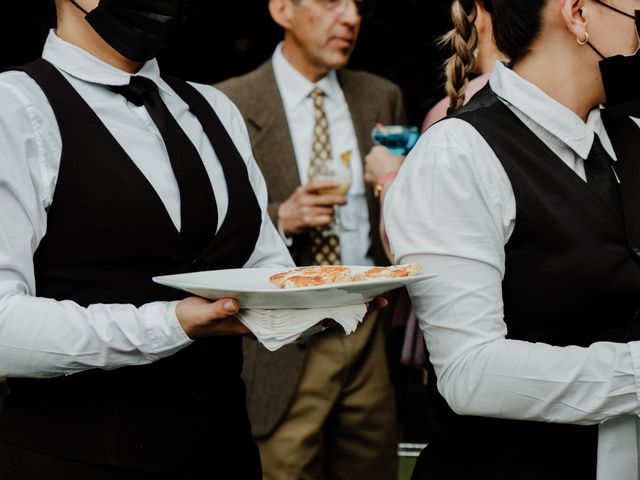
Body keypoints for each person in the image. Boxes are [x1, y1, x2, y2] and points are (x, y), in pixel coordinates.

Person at [0, 0, 300, 478]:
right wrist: (172, 323)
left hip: (225, 454)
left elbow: (265, 267)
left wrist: (328, 295)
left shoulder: (215, 108)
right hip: (77, 458)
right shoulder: (16, 106)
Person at [385, 0, 640, 478]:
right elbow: (469, 372)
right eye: (638, 15)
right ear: (580, 15)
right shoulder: (456, 154)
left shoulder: (633, 138)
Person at [217, 0, 406, 478]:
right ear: (282, 10)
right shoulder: (229, 103)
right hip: (282, 337)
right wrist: (282, 216)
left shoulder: (381, 97)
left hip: (366, 326)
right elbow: (211, 226)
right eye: (330, 3)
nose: (351, 17)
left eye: (357, 5)